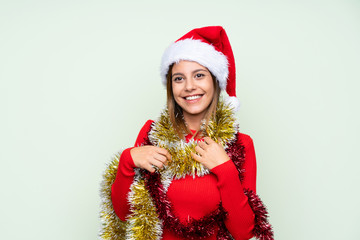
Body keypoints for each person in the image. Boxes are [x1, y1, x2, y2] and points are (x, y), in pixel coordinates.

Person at [100, 26, 273, 240]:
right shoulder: (152, 134)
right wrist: (128, 160)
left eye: (199, 75)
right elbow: (126, 215)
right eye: (179, 78)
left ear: (215, 81)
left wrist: (225, 169)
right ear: (171, 87)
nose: (189, 86)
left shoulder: (241, 145)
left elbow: (243, 232)